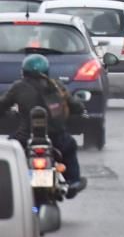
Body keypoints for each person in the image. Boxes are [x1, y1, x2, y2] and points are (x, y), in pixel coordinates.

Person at [0, 54, 88, 198]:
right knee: (70, 145)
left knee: (7, 150)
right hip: (57, 139)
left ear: (24, 72)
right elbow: (76, 106)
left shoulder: (18, 87)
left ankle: (7, 184)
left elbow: (2, 105)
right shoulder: (56, 85)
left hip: (25, 138)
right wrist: (79, 111)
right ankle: (73, 182)